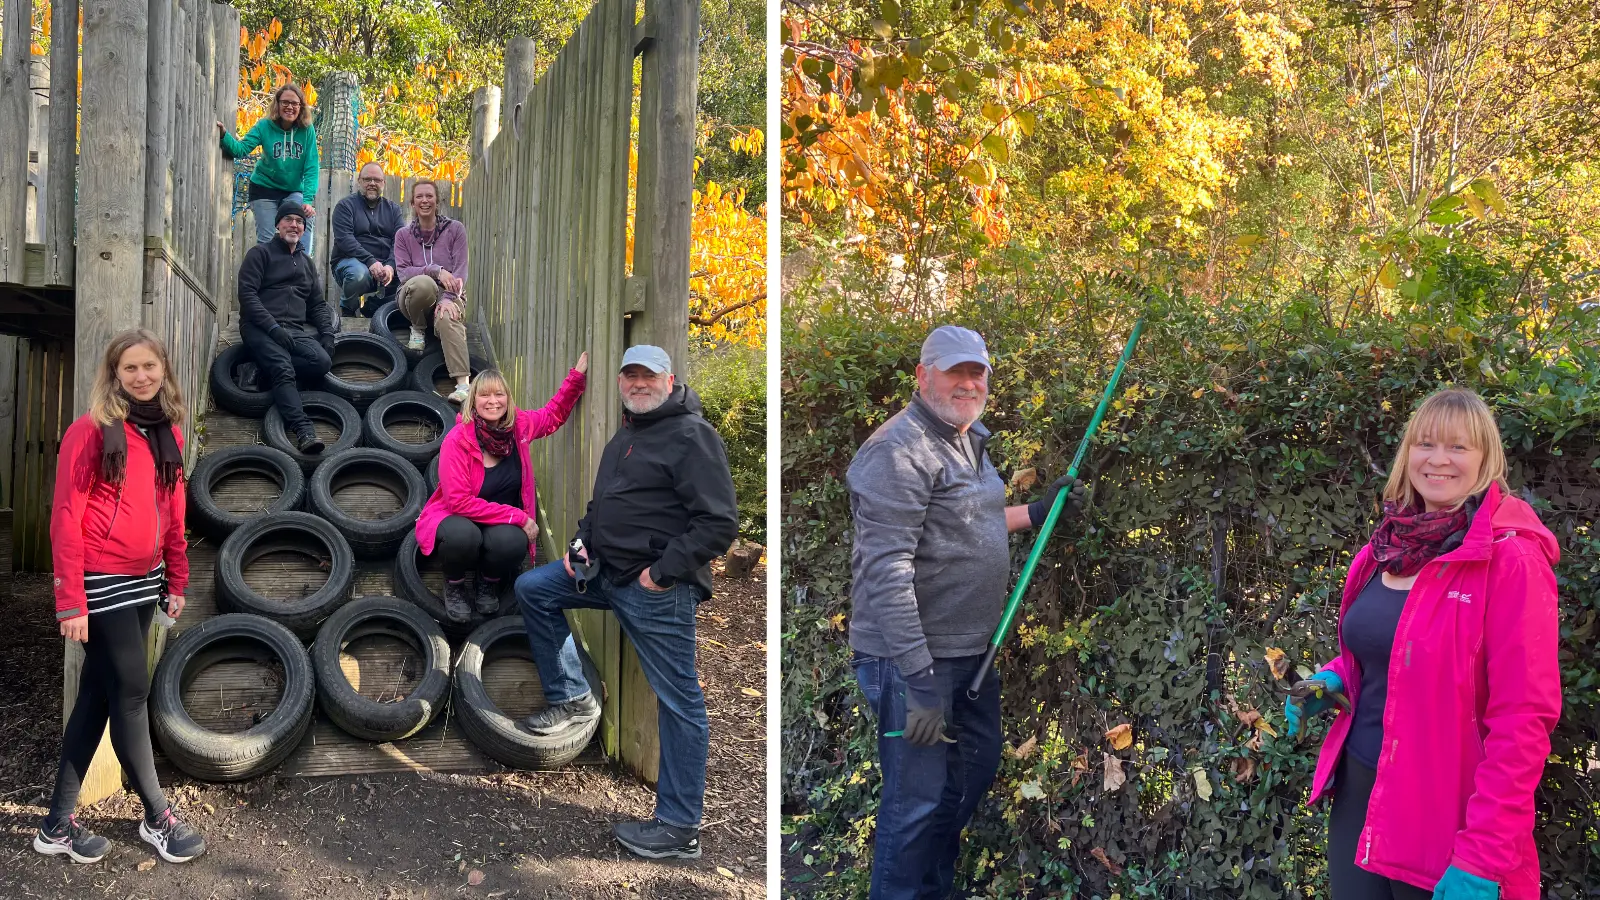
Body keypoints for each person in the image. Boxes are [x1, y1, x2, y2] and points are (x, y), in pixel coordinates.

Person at [1287, 388, 1559, 900]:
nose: (1438, 459)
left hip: (1444, 815)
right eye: (1425, 443)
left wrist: (1483, 855)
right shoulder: (1383, 549)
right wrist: (1334, 677)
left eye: (1458, 447)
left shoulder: (1511, 560)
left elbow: (1523, 720)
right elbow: (1390, 648)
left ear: (1486, 458)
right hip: (1361, 794)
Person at [845, 325, 1087, 900]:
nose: (968, 383)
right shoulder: (896, 451)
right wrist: (919, 680)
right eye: (955, 371)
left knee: (967, 778)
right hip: (910, 662)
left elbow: (968, 522)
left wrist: (1038, 510)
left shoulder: (967, 437)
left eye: (977, 372)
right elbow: (887, 569)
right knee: (915, 803)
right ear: (923, 376)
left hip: (969, 651)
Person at [514, 345, 738, 860]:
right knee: (533, 589)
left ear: (669, 380)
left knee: (680, 701)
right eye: (630, 375)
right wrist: (580, 543)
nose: (638, 383)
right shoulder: (627, 435)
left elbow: (719, 523)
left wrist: (660, 574)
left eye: (648, 376)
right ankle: (572, 696)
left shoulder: (692, 436)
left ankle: (680, 827)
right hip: (603, 574)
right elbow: (601, 507)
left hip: (656, 590)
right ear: (619, 382)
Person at [35, 329, 206, 866]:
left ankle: (56, 824)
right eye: (129, 368)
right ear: (114, 374)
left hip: (145, 579)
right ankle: (157, 816)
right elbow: (66, 515)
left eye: (149, 366)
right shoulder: (89, 431)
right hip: (100, 580)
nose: (141, 376)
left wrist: (176, 578)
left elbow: (174, 511)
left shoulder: (165, 431)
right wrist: (70, 599)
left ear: (163, 370)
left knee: (98, 695)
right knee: (132, 692)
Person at [414, 356, 590, 622]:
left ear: (508, 398)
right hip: (458, 516)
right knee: (463, 536)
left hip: (497, 522)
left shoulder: (520, 427)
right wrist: (518, 516)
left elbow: (553, 414)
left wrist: (575, 378)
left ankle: (487, 581)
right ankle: (454, 584)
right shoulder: (458, 440)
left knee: (513, 542)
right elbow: (459, 502)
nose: (493, 401)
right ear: (473, 400)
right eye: (484, 395)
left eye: (499, 394)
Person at [236, 201, 335, 454]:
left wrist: (327, 334)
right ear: (277, 224)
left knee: (321, 362)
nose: (294, 225)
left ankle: (258, 367)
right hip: (259, 327)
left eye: (299, 221)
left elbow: (317, 304)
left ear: (304, 228)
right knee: (283, 368)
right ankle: (304, 431)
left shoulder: (306, 263)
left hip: (293, 330)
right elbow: (247, 295)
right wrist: (272, 328)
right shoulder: (260, 254)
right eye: (288, 220)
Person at [218, 83, 320, 254]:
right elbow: (241, 150)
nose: (289, 107)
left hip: (292, 189)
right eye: (285, 102)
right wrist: (223, 135)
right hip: (264, 188)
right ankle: (268, 269)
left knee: (304, 217)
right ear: (277, 104)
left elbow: (311, 166)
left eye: (294, 103)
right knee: (267, 239)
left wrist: (307, 200)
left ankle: (301, 262)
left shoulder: (306, 130)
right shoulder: (264, 126)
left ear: (301, 107)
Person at [393, 180, 471, 404]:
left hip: (450, 294)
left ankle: (464, 385)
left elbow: (460, 270)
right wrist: (436, 271)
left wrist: (448, 299)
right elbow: (403, 273)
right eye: (419, 196)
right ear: (412, 203)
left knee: (448, 317)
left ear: (438, 201)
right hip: (413, 296)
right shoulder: (403, 235)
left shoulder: (455, 229)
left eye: (429, 196)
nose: (424, 200)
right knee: (425, 284)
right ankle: (418, 328)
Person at [329, 162, 403, 317]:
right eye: (367, 179)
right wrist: (370, 261)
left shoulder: (393, 210)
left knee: (410, 278)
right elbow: (345, 240)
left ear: (383, 183)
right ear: (359, 181)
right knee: (358, 274)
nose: (372, 183)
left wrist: (390, 266)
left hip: (385, 266)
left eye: (377, 180)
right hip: (351, 263)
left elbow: (400, 242)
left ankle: (373, 309)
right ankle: (348, 311)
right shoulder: (345, 206)